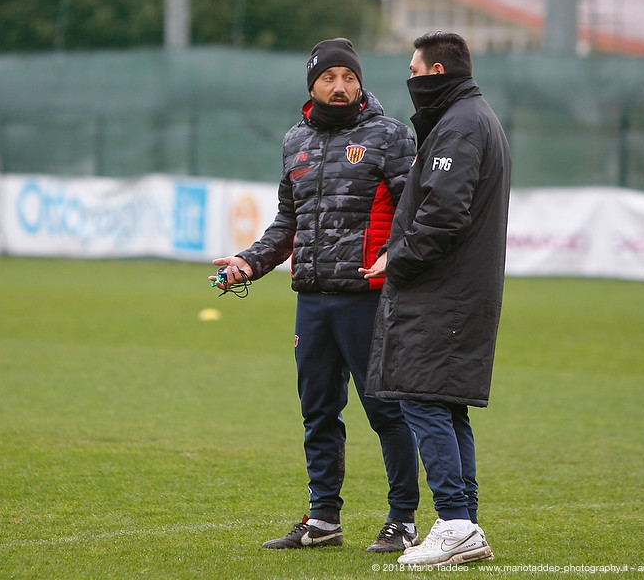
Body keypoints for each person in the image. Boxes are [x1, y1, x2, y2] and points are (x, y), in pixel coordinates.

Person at [211, 38, 421, 553]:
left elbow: (414, 212)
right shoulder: (295, 141)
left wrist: (394, 256)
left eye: (349, 77)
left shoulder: (390, 135)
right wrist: (250, 262)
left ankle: (403, 520)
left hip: (369, 298)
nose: (340, 86)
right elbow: (288, 222)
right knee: (319, 412)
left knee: (386, 413)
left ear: (360, 83)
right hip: (312, 301)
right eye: (329, 77)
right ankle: (323, 519)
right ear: (313, 85)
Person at [362, 32, 511, 566]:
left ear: (437, 71)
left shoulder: (461, 125)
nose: (410, 79)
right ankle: (465, 523)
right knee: (446, 403)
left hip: (444, 291)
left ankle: (454, 523)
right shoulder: (470, 117)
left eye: (414, 70)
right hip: (458, 290)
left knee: (422, 398)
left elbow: (445, 214)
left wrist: (396, 258)